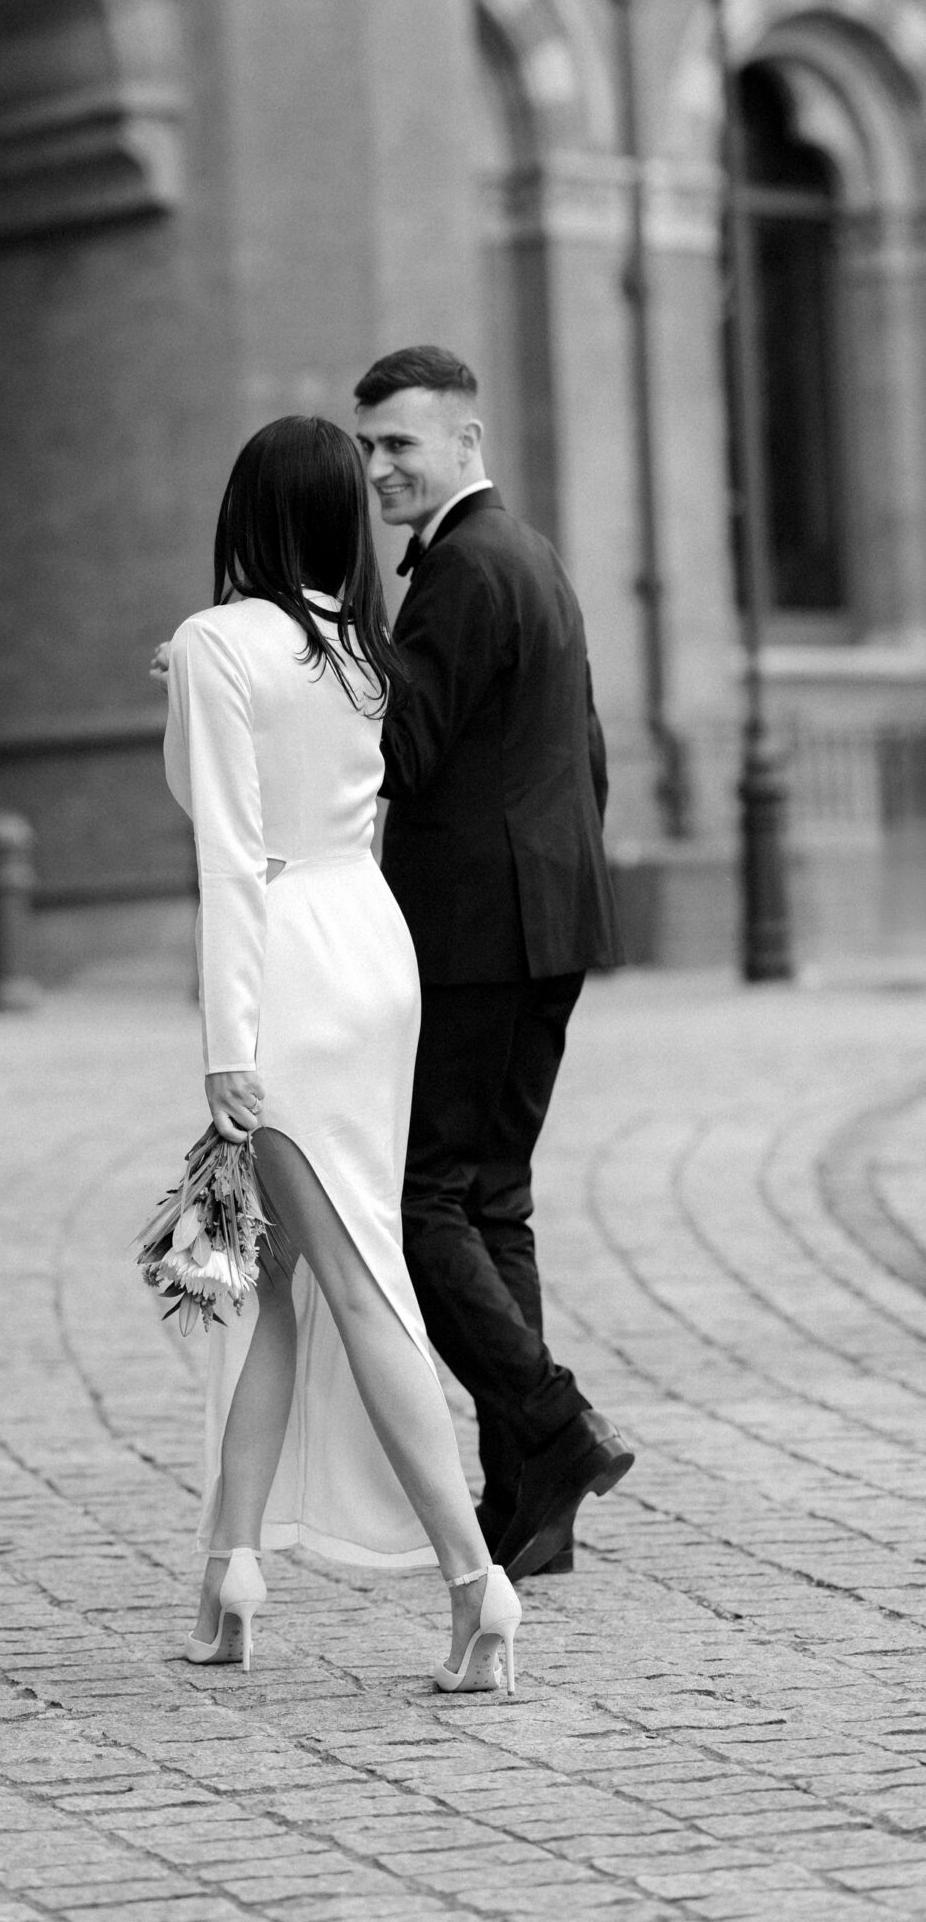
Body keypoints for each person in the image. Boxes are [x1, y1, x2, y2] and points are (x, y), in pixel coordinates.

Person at [162, 415, 521, 1695]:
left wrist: (226, 1050)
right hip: (374, 951)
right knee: (264, 1279)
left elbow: (225, 854)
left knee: (357, 1282)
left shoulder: (219, 644)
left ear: (246, 512)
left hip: (291, 967)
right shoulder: (358, 653)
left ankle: (479, 1581)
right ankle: (230, 1568)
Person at [352, 344, 632, 1580]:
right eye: (367, 448)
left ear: (465, 442)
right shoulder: (532, 557)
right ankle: (531, 1503)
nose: (378, 469)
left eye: (400, 444)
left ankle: (556, 1425)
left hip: (475, 931)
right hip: (548, 919)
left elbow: (403, 757)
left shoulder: (463, 569)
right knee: (494, 1197)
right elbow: (591, 754)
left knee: (422, 1201)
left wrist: (334, 650)